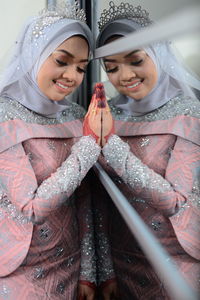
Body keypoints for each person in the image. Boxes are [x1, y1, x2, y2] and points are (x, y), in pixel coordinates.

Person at [88, 1, 200, 299]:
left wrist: (109, 145)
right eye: (111, 67)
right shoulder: (105, 114)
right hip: (118, 258)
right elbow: (94, 196)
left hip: (175, 259)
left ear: (158, 54)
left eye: (135, 60)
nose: (123, 76)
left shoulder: (189, 114)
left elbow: (175, 200)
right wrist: (100, 268)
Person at [0, 1, 101, 299]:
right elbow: (31, 207)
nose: (72, 75)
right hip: (19, 269)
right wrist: (90, 144)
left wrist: (88, 271)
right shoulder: (5, 116)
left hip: (70, 265)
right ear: (35, 54)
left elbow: (83, 200)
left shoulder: (73, 114)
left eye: (81, 67)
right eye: (62, 60)